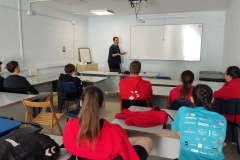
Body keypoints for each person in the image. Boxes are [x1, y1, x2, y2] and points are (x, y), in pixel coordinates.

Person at [63, 85, 153, 160]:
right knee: (147, 140)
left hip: (90, 153)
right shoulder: (115, 131)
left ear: (81, 103)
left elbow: (69, 146)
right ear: (102, 105)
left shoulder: (69, 126)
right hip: (112, 142)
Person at [172, 84, 227, 160]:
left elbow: (178, 132)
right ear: (212, 99)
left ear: (191, 99)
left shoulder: (183, 110)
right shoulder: (222, 119)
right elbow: (221, 142)